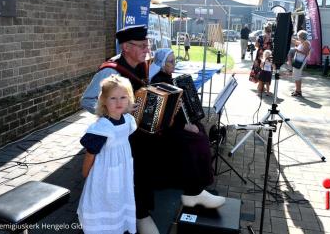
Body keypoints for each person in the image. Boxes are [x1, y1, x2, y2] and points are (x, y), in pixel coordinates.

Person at [80, 25, 222, 234]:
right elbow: (87, 100)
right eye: (142, 46)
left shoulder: (141, 66)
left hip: (139, 128)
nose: (147, 50)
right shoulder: (111, 70)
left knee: (183, 141)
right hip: (120, 133)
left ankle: (193, 190)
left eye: (148, 45)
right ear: (126, 47)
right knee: (145, 158)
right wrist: (117, 111)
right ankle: (140, 214)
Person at [148, 48, 224, 208]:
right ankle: (194, 190)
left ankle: (198, 185)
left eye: (175, 61)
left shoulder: (167, 78)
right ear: (162, 64)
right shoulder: (159, 82)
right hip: (164, 130)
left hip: (172, 124)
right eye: (171, 62)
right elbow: (163, 116)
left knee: (200, 130)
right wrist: (185, 126)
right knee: (197, 139)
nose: (174, 64)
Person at [78, 75, 137, 234]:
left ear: (129, 99)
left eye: (123, 97)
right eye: (113, 98)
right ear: (103, 100)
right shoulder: (102, 128)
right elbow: (90, 154)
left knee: (119, 198)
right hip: (104, 174)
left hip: (122, 171)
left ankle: (116, 225)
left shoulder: (128, 120)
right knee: (104, 200)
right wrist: (85, 173)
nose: (119, 102)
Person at [290, 30, 311, 97]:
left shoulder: (306, 43)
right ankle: (297, 90)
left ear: (301, 37)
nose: (298, 38)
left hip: (300, 62)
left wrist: (296, 50)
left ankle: (298, 91)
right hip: (298, 61)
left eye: (298, 36)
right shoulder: (303, 42)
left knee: (297, 76)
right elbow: (294, 41)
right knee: (296, 76)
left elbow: (305, 53)